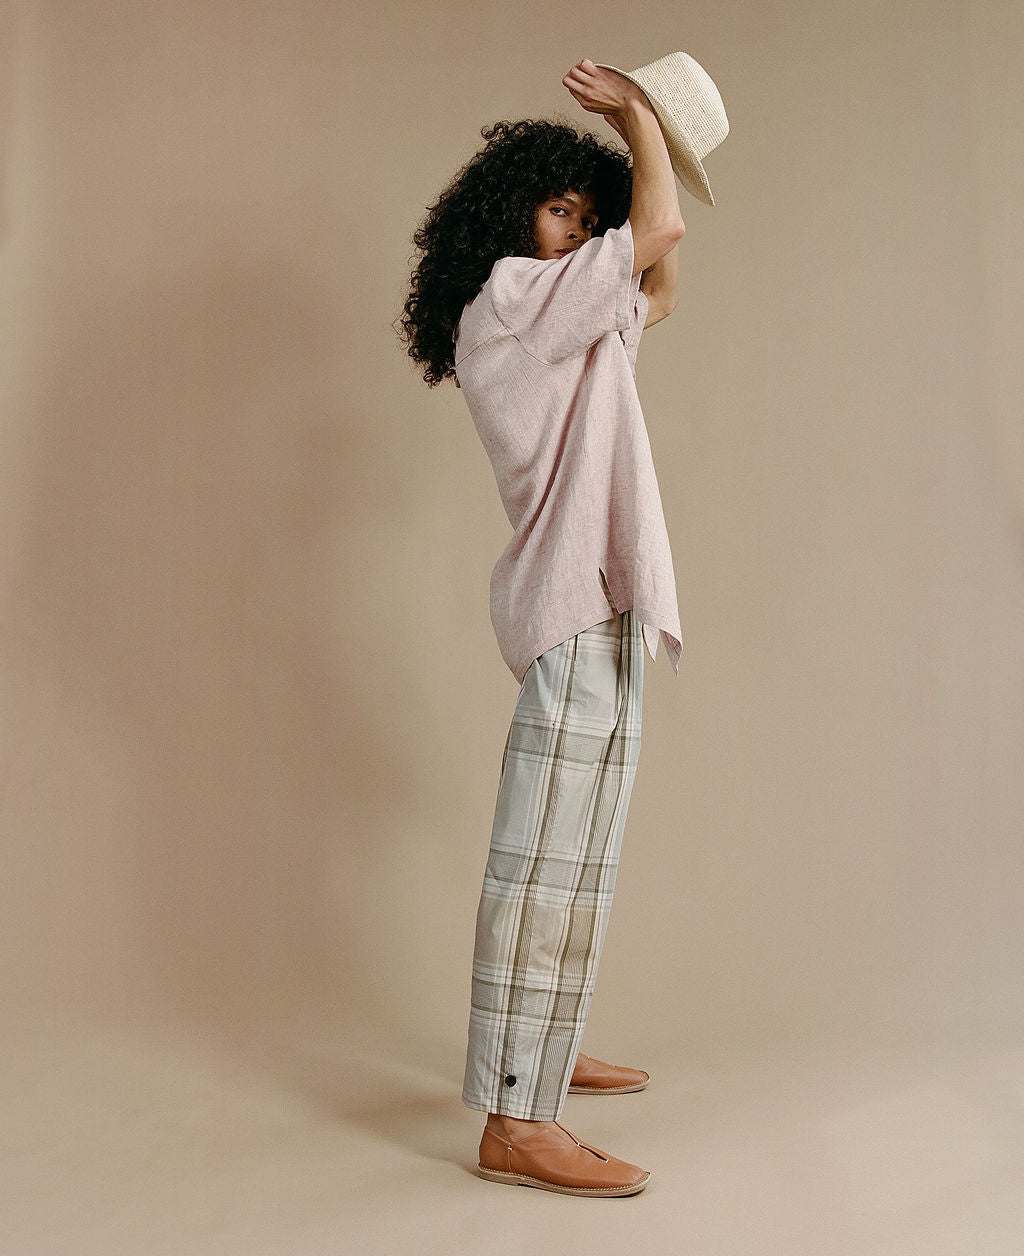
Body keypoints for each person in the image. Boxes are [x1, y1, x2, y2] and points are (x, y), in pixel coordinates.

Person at [400, 56, 719, 1197]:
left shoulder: (571, 310)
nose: (576, 231)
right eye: (559, 209)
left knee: (579, 858)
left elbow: (662, 283)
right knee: (541, 863)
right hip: (571, 606)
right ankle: (514, 1120)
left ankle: (545, 1046)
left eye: (588, 217)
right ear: (508, 212)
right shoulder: (513, 298)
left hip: (604, 600)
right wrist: (640, 122)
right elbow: (656, 230)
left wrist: (650, 146)